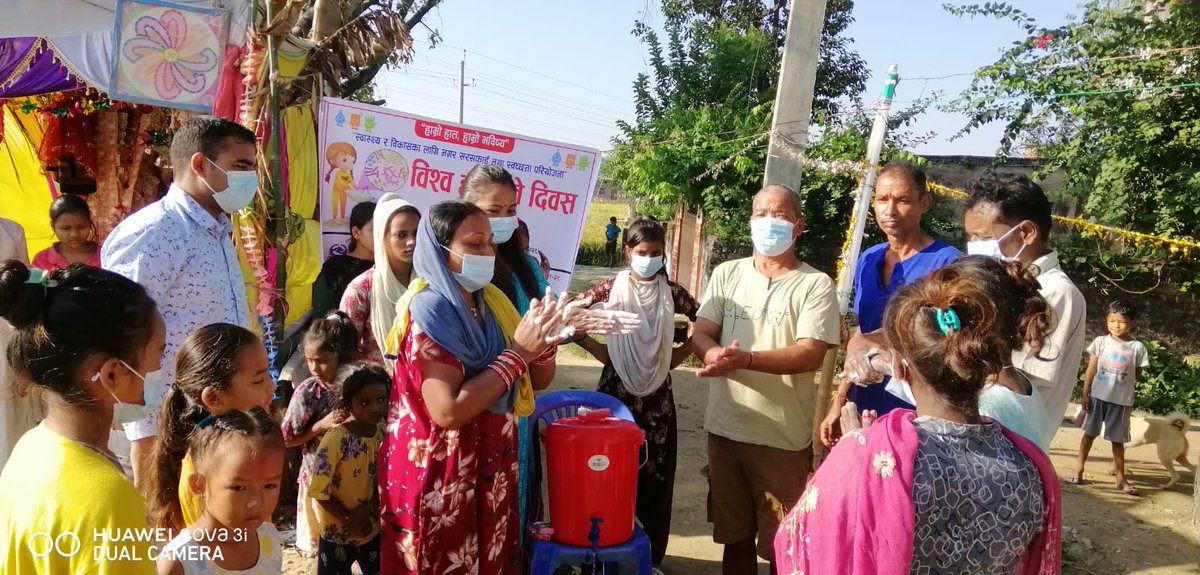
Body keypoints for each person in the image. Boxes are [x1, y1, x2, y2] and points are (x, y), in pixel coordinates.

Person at [776, 258, 1062, 575]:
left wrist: (855, 455)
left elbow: (800, 540)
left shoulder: (871, 459)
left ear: (898, 367)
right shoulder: (1030, 467)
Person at [378, 201, 567, 574]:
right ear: (439, 251)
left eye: (489, 245)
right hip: (442, 474)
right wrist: (518, 353)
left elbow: (538, 379)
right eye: (474, 245)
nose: (487, 254)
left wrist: (545, 340)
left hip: (488, 466)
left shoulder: (489, 304)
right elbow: (448, 411)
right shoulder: (429, 313)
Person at [692, 185, 840, 574]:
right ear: (750, 220)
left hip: (781, 437)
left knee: (784, 543)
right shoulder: (727, 274)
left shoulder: (815, 284)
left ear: (798, 226)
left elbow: (810, 353)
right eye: (761, 213)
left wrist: (745, 360)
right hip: (726, 429)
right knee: (733, 535)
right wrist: (713, 356)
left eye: (780, 215)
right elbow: (701, 330)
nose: (769, 222)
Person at [102, 115, 256, 488]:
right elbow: (121, 328)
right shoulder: (156, 230)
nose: (250, 178)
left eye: (252, 167)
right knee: (168, 529)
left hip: (218, 413)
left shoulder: (219, 230)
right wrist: (143, 418)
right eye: (241, 166)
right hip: (168, 424)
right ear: (200, 164)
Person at [0, 262, 165, 575]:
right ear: (113, 374)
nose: (161, 373)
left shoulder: (31, 447)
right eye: (158, 356)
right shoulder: (109, 498)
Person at [573, 217, 699, 569]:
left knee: (655, 482)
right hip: (615, 397)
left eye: (656, 252)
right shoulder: (607, 291)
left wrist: (679, 355)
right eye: (642, 251)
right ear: (628, 252)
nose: (649, 258)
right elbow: (571, 320)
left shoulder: (673, 293)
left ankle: (650, 557)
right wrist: (604, 353)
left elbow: (705, 322)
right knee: (607, 476)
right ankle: (602, 553)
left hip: (658, 400)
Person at [822, 162, 960, 440]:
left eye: (903, 200)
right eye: (882, 199)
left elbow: (946, 339)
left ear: (924, 203)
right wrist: (839, 401)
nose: (890, 210)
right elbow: (862, 333)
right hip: (863, 406)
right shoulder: (869, 259)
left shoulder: (947, 263)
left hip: (916, 409)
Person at [963, 172, 1086, 437]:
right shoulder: (1001, 284)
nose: (974, 246)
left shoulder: (1054, 293)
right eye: (971, 237)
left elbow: (1014, 381)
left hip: (1013, 443)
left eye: (983, 238)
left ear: (1027, 232)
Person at [146, 324, 277, 531]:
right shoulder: (216, 471)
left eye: (268, 374)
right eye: (258, 380)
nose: (272, 386)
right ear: (214, 398)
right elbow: (232, 553)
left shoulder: (229, 454)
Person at [157, 408, 285, 575]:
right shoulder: (179, 561)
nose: (257, 502)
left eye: (270, 486)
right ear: (199, 485)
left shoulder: (269, 539)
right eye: (239, 488)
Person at [282, 312, 360, 555]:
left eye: (323, 360)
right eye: (309, 361)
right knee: (325, 550)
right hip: (319, 479)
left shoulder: (359, 386)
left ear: (342, 356)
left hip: (357, 477)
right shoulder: (307, 393)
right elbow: (286, 438)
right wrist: (320, 426)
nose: (315, 368)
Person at [309, 365, 389, 575]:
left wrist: (368, 510)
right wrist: (350, 520)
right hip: (338, 532)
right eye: (365, 402)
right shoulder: (336, 440)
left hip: (370, 529)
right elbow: (319, 491)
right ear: (347, 402)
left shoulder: (382, 433)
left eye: (381, 399)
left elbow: (385, 479)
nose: (375, 408)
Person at [1071, 300, 1149, 494]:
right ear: (1106, 321)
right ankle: (1078, 470)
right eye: (1112, 321)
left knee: (1118, 440)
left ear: (1132, 323)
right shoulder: (1101, 342)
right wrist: (1085, 393)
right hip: (1097, 397)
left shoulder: (1137, 347)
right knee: (1089, 434)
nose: (1116, 325)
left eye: (1121, 322)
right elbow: (1091, 368)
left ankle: (1121, 478)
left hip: (1121, 402)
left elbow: (1137, 374)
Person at [340, 194, 420, 367]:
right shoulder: (361, 289)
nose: (412, 241)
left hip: (423, 387)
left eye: (417, 233)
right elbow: (344, 352)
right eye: (401, 235)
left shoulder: (429, 284)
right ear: (382, 238)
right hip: (376, 388)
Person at [313, 202, 377, 316]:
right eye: (374, 230)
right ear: (356, 232)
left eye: (385, 229)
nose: (381, 235)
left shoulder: (389, 268)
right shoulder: (335, 271)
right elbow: (321, 320)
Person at [31, 194, 101, 271]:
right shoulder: (42, 260)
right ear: (52, 226)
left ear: (90, 223)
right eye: (65, 228)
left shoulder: (105, 256)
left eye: (82, 227)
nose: (74, 234)